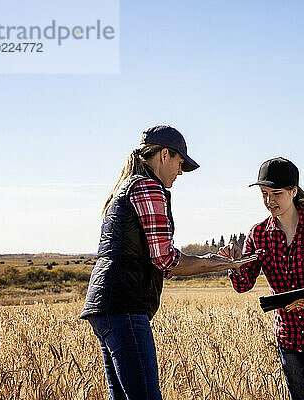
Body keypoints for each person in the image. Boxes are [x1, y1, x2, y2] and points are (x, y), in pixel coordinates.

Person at [80, 125, 235, 400]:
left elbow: (149, 258)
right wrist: (214, 263)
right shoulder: (149, 187)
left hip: (105, 306)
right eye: (179, 163)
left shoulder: (127, 187)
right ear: (165, 154)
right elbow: (166, 260)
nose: (179, 172)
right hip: (125, 306)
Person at [219, 157, 304, 400]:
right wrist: (235, 263)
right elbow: (243, 284)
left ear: (293, 191)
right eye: (264, 193)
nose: (269, 201)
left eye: (276, 193)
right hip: (291, 340)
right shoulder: (258, 234)